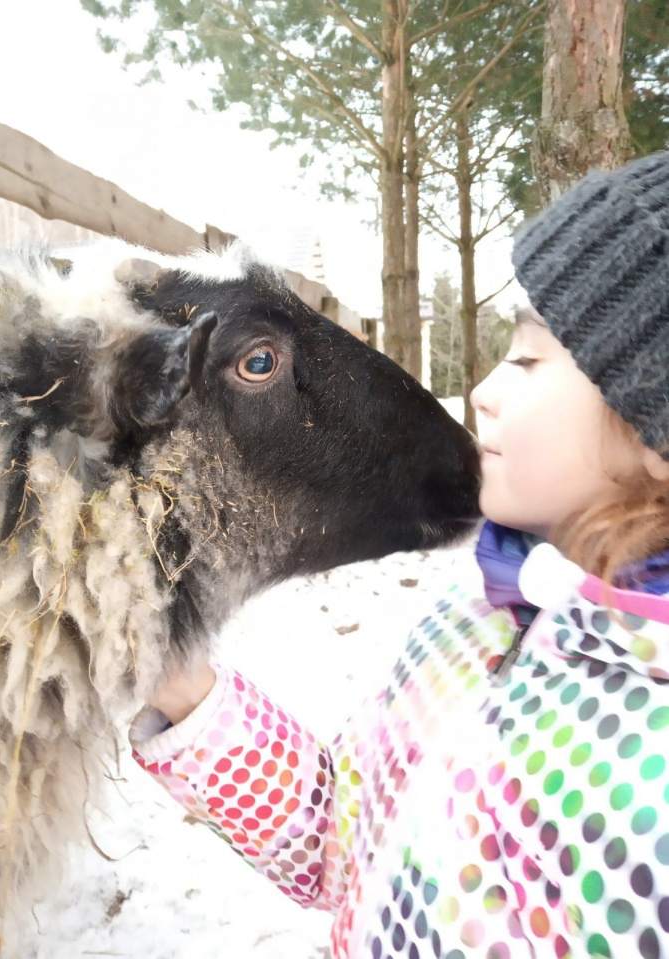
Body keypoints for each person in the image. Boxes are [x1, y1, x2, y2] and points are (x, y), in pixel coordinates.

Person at [130, 151, 669, 958]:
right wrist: (188, 692)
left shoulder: (649, 790)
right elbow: (339, 841)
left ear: (653, 431)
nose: (481, 389)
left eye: (528, 358)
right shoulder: (481, 613)